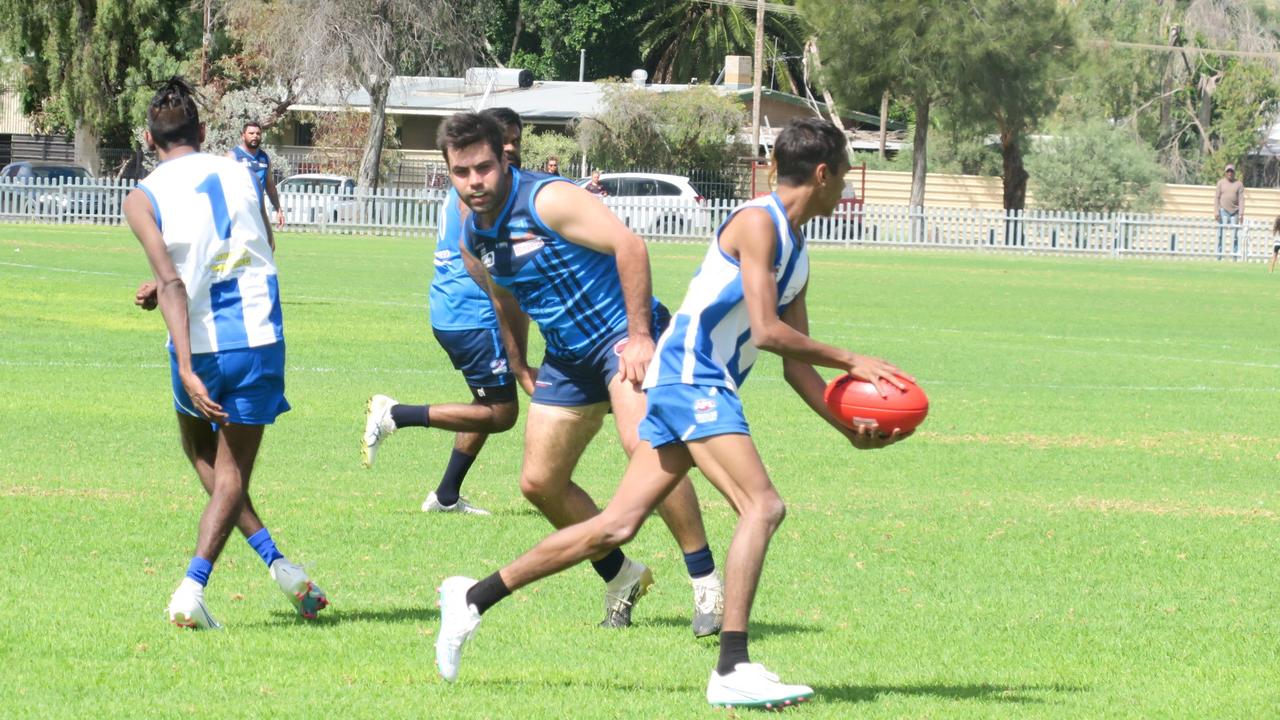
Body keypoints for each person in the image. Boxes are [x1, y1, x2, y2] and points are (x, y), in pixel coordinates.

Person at [434, 118, 912, 708]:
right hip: (691, 377)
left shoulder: (796, 251)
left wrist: (847, 428)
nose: (845, 191)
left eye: (483, 167)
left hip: (686, 379)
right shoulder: (758, 224)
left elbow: (795, 366)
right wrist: (852, 359)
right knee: (761, 507)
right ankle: (732, 665)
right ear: (823, 174)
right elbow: (767, 332)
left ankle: (471, 599)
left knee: (614, 527)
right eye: (844, 178)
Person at [435, 112, 723, 634]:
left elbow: (630, 246)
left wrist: (639, 337)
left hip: (620, 338)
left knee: (644, 446)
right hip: (568, 357)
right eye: (461, 172)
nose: (475, 181)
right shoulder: (473, 237)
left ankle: (705, 581)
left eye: (483, 167)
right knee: (540, 481)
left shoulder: (549, 199)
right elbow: (505, 297)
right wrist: (519, 362)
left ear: (504, 157)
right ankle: (621, 575)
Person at [126, 77, 327, 630]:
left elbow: (172, 282)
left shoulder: (141, 197)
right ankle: (282, 567)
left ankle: (192, 587)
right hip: (259, 335)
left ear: (148, 138)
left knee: (204, 456)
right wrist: (170, 282)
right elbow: (255, 243)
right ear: (206, 130)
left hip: (199, 343)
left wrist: (188, 366)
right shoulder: (240, 169)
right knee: (229, 468)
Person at [361, 107, 531, 515]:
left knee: (486, 404)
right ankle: (395, 415)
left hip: (457, 310)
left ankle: (446, 496)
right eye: (503, 140)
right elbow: (473, 256)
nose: (511, 148)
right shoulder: (476, 193)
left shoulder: (484, 183)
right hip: (472, 313)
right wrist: (510, 295)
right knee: (502, 413)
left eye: (516, 140)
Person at [229, 120, 285, 230]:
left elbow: (270, 186)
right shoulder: (232, 156)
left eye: (258, 134)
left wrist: (278, 209)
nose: (255, 136)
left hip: (259, 211)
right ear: (243, 136)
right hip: (239, 213)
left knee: (270, 245)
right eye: (251, 133)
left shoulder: (264, 158)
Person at [1215, 163, 1245, 256]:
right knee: (1220, 234)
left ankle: (1234, 256)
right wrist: (1216, 211)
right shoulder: (1220, 183)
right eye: (1228, 171)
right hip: (1223, 211)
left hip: (1235, 212)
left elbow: (1241, 199)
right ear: (1225, 172)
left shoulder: (1239, 184)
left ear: (1234, 172)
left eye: (1231, 171)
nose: (1230, 173)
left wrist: (1241, 213)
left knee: (1235, 235)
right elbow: (1217, 197)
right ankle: (1219, 256)